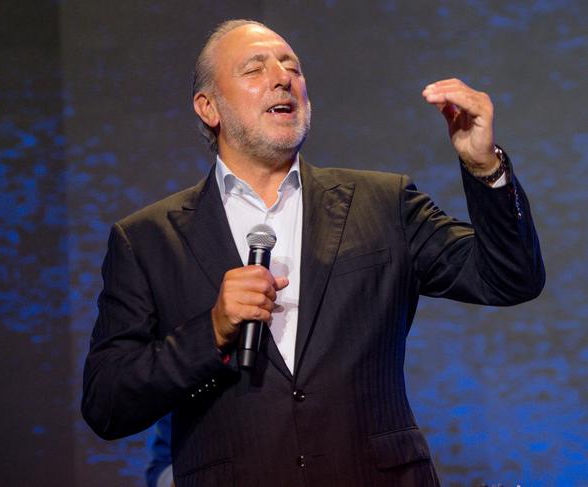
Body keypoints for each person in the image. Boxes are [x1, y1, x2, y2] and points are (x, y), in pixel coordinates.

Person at [82, 19, 544, 487]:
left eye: (292, 67)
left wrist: (485, 168)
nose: (283, 77)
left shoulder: (382, 203)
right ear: (209, 107)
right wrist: (213, 330)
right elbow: (106, 403)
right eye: (255, 69)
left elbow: (509, 278)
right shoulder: (147, 239)